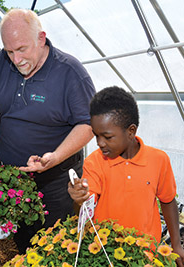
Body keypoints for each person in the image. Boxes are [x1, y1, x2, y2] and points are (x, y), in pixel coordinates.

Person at [0, 9, 95, 253]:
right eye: (9, 51)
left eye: (22, 49)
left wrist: (55, 156)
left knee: (56, 245)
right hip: (13, 179)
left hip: (54, 182)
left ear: (41, 38)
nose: (16, 59)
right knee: (24, 243)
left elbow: (88, 124)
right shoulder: (2, 61)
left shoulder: (70, 73)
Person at [68, 86, 184, 266]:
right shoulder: (94, 162)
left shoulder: (158, 160)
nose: (99, 143)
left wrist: (176, 244)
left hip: (146, 254)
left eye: (107, 137)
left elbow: (168, 201)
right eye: (96, 135)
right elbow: (85, 211)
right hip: (105, 253)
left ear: (131, 131)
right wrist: (79, 200)